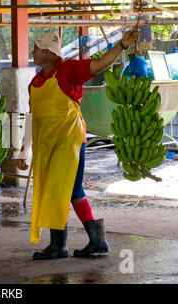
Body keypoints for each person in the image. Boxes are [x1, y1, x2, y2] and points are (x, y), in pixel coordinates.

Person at [17, 29, 139, 259]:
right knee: (63, 191)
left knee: (67, 190)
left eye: (35, 48)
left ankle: (72, 244)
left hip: (70, 141)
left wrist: (122, 45)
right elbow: (32, 118)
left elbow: (100, 64)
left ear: (46, 52)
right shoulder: (35, 82)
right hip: (48, 145)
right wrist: (25, 149)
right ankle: (85, 242)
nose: (32, 52)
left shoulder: (69, 70)